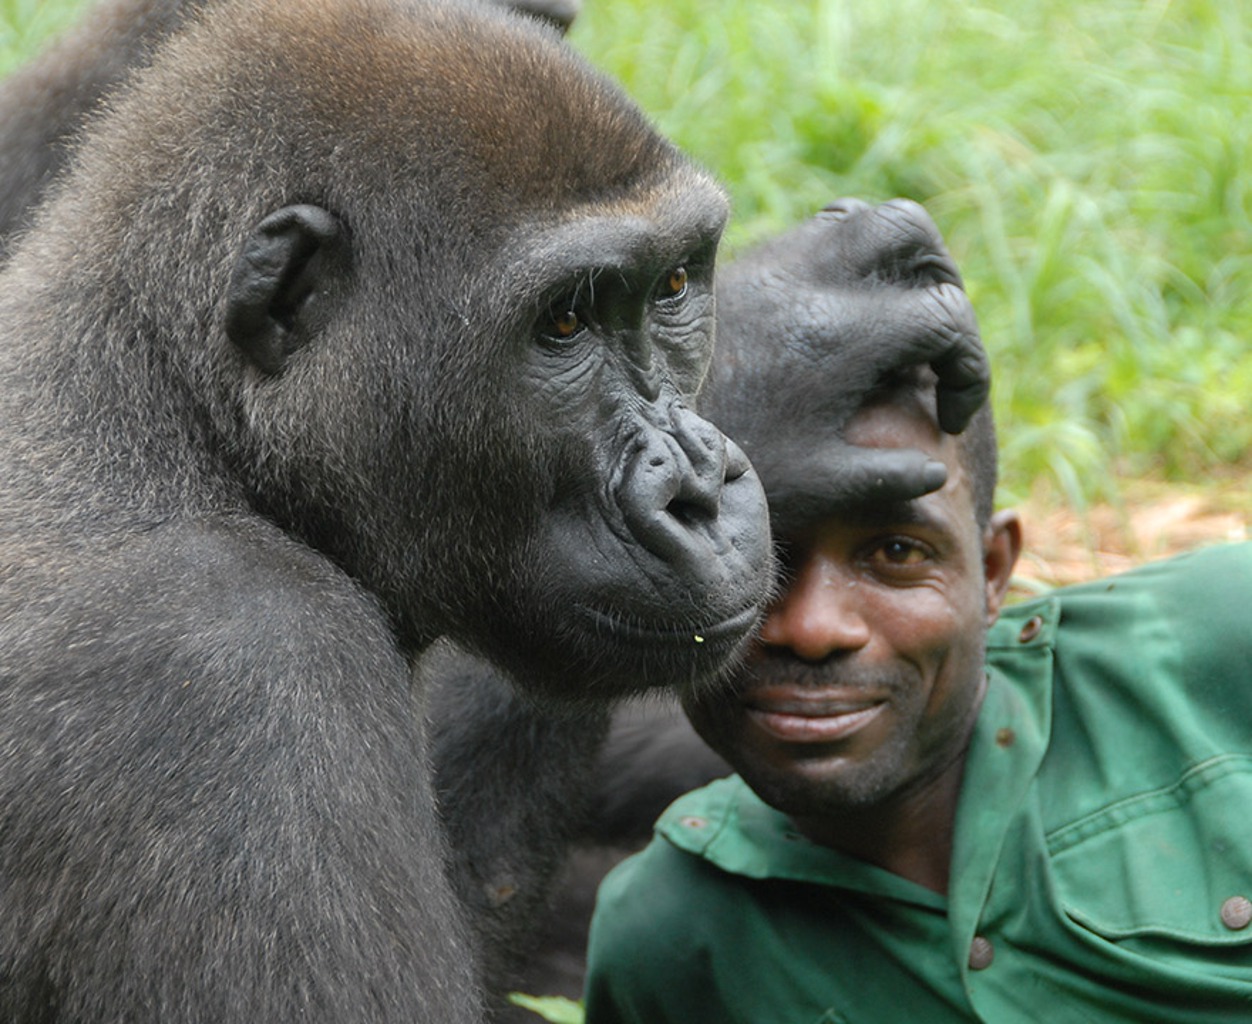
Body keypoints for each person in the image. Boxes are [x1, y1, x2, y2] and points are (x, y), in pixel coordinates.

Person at [581, 228, 1252, 1022]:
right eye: (760, 552)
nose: (814, 627)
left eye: (895, 552)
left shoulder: (1216, 642)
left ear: (994, 570)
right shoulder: (672, 942)